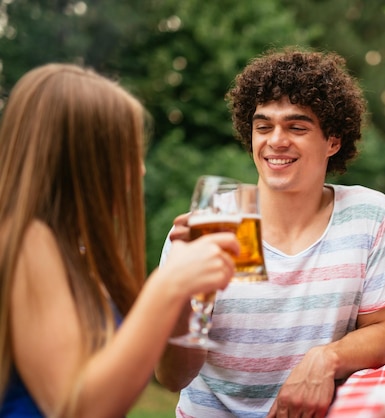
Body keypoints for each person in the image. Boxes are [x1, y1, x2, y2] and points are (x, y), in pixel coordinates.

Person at [156, 47, 385, 418]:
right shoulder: (210, 227)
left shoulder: (368, 214)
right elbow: (172, 377)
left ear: (333, 141)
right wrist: (183, 300)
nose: (276, 140)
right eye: (263, 126)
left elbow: (382, 332)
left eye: (296, 126)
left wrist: (326, 358)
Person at [0, 64, 240, 417]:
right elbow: (78, 409)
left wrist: (184, 290)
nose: (141, 169)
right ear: (82, 159)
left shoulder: (66, 248)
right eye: (126, 153)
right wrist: (167, 284)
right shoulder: (27, 242)